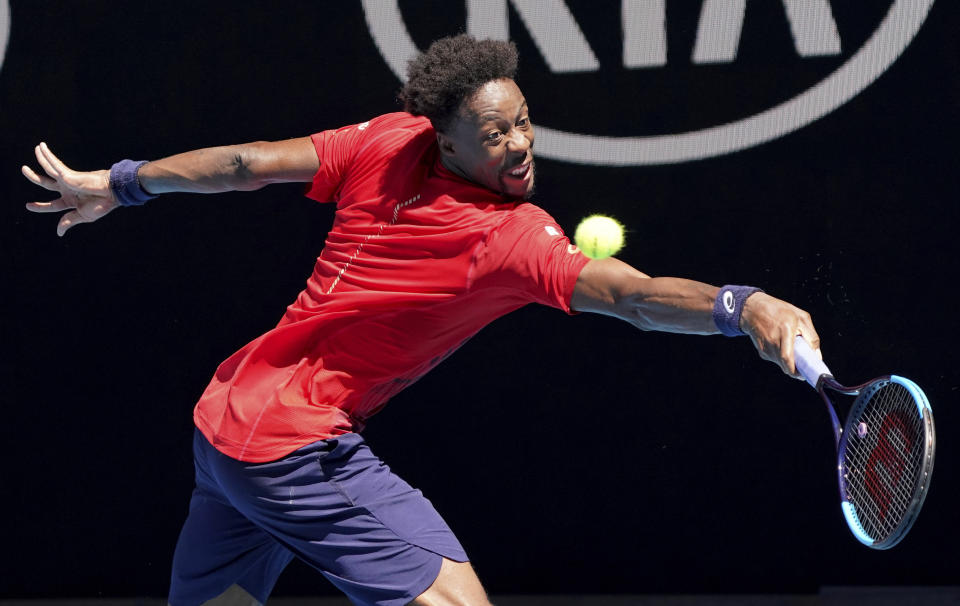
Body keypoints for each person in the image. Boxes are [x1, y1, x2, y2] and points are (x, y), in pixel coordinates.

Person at [23, 35, 819, 606]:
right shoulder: (510, 236)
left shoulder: (386, 138)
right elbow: (633, 298)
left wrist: (123, 183)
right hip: (294, 450)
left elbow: (249, 164)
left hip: (224, 425)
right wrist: (742, 305)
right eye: (495, 134)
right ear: (445, 137)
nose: (520, 145)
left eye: (523, 121)